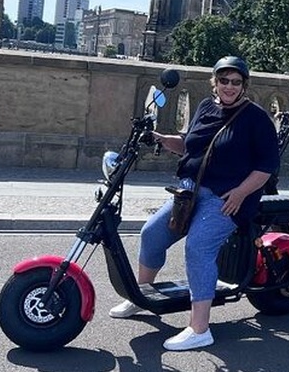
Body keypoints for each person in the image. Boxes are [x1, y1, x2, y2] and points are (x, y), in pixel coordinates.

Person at [109, 56, 279, 351]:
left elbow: (267, 166)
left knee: (198, 247)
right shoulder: (206, 107)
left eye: (235, 82)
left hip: (227, 198)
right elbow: (190, 143)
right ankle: (142, 295)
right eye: (223, 80)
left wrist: (240, 192)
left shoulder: (256, 118)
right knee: (151, 233)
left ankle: (200, 328)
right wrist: (162, 139)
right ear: (215, 81)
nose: (229, 86)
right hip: (189, 192)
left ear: (244, 85)